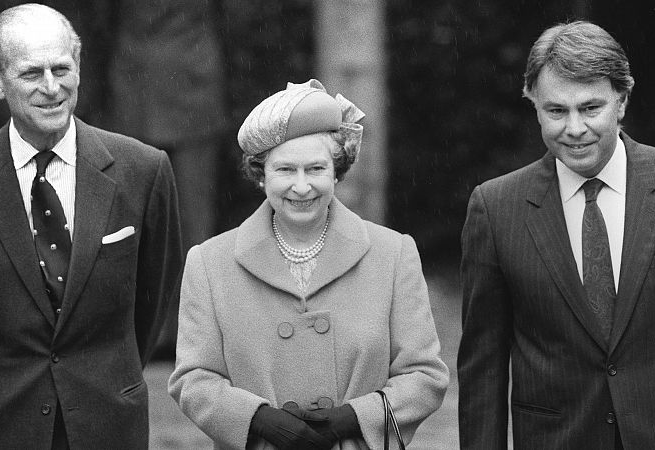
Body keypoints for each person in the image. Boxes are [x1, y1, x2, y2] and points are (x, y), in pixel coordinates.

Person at [457, 20, 655, 449]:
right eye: (556, 111)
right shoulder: (495, 209)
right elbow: (483, 371)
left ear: (621, 101)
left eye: (590, 108)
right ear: (533, 104)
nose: (574, 128)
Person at [0, 4, 183, 449]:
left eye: (61, 69)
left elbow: (152, 300)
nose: (51, 88)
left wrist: (101, 379)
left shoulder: (142, 170)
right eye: (32, 74)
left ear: (80, 68)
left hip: (105, 426)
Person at [169, 79, 449, 449]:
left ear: (337, 171)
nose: (301, 187)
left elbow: (424, 376)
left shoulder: (393, 253)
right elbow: (192, 380)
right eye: (285, 170)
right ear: (260, 173)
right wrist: (258, 420)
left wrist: (353, 419)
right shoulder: (209, 262)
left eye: (315, 169)